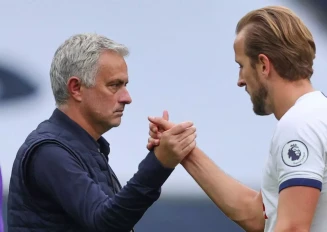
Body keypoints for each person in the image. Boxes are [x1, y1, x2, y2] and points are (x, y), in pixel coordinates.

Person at [147, 6, 327, 232]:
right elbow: (257, 215)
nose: (240, 80)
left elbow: (292, 227)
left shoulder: (300, 124)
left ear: (263, 65)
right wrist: (185, 151)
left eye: (241, 66)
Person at [7, 33, 197, 232]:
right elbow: (105, 223)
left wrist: (159, 159)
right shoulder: (49, 152)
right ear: (76, 88)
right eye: (114, 85)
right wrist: (159, 163)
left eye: (125, 85)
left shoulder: (83, 148)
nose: (127, 98)